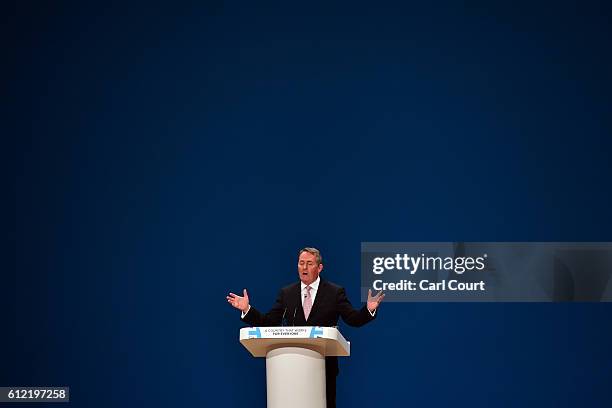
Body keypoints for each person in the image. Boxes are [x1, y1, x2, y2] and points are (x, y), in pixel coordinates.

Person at [227, 247, 384, 408]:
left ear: (320, 268)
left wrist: (369, 309)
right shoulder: (287, 293)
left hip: (323, 366)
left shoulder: (334, 292)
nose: (304, 267)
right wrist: (247, 309)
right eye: (301, 263)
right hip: (289, 368)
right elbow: (269, 322)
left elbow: (353, 319)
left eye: (309, 263)